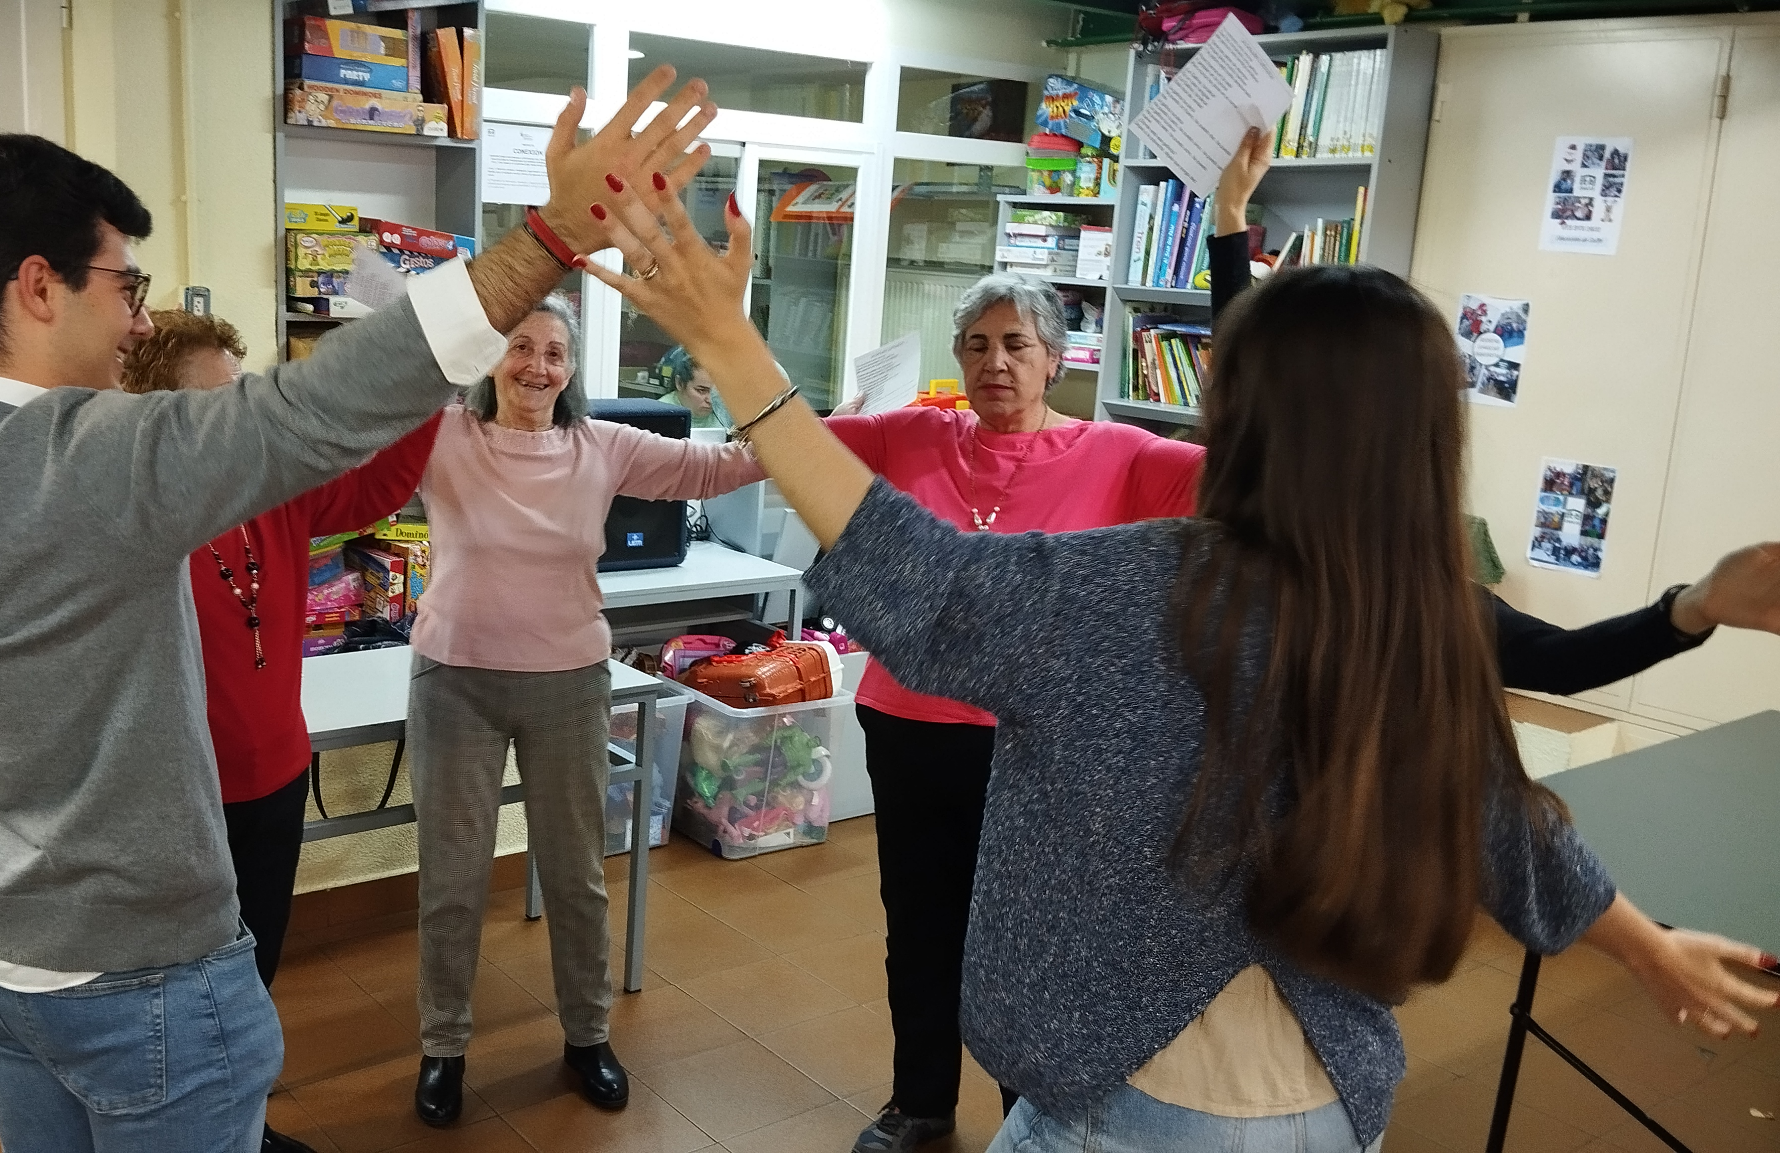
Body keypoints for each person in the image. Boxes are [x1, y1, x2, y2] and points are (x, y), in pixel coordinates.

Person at [581, 179, 1778, 1153]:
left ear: (1235, 408)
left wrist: (729, 342)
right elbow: (1499, 814)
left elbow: (923, 578)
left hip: (1128, 1102)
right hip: (1328, 1101)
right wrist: (1648, 946)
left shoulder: (1131, 591)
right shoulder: (1402, 612)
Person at [0, 65, 717, 1153]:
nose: (139, 317)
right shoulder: (105, 456)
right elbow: (331, 400)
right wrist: (547, 236)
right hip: (142, 980)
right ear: (37, 286)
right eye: (124, 283)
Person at [809, 271, 1200, 1152]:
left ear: (1055, 359)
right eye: (978, 345)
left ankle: (1034, 1105)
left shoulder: (1122, 453)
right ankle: (920, 1101)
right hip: (908, 722)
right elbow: (796, 449)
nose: (996, 362)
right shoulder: (913, 434)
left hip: (1041, 741)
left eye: (1017, 344)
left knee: (1034, 931)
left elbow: (1244, 479)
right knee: (919, 918)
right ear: (957, 358)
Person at [1208, 126, 1780, 695]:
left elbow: (1556, 660)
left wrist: (1231, 213)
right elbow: (1559, 662)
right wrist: (1694, 607)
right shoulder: (1396, 597)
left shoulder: (1372, 589)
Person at [406, 292, 765, 1126]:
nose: (537, 365)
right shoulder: (441, 435)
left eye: (555, 353)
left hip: (568, 679)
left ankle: (587, 1035)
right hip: (454, 679)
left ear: (571, 369)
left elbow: (715, 468)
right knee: (452, 880)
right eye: (521, 346)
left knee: (575, 874)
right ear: (492, 357)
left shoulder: (598, 446)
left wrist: (812, 432)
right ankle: (443, 1047)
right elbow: (357, 422)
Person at [119, 310, 441, 1153]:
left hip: (275, 777)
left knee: (253, 974)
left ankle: (241, 1126)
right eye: (219, 401)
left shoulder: (276, 491)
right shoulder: (131, 513)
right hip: (179, 796)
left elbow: (375, 488)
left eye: (245, 395)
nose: (243, 421)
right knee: (183, 991)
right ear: (160, 411)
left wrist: (434, 382)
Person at [653, 345, 725, 427]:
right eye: (701, 391)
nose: (711, 400)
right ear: (679, 383)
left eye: (717, 392)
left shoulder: (727, 414)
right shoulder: (659, 415)